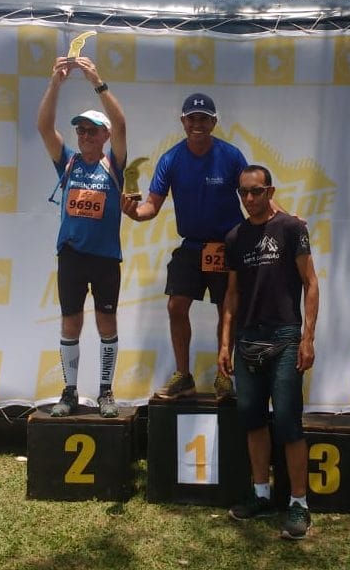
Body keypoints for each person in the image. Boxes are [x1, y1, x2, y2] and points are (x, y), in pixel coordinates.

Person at [122, 93, 281, 401]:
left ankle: (224, 377)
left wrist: (284, 217)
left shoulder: (230, 155)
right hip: (191, 246)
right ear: (183, 121)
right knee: (176, 306)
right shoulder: (170, 159)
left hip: (228, 246)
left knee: (228, 311)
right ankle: (184, 376)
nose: (198, 124)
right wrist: (133, 213)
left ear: (214, 122)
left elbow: (256, 192)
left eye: (204, 119)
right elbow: (151, 206)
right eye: (192, 118)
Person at [218, 165, 319, 540]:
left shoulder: (292, 228)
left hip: (286, 337)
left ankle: (299, 503)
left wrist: (307, 338)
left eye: (256, 191)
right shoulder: (234, 237)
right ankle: (261, 495)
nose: (249, 198)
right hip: (247, 341)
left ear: (270, 191)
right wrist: (225, 343)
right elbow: (232, 296)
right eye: (243, 192)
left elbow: (310, 283)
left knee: (289, 423)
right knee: (254, 422)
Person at [37, 56, 127, 418]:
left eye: (92, 130)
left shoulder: (113, 163)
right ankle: (70, 391)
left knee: (107, 323)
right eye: (81, 131)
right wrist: (55, 84)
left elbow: (121, 123)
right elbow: (45, 128)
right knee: (70, 322)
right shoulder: (69, 161)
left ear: (105, 136)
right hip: (72, 255)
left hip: (105, 257)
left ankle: (106, 392)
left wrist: (97, 82)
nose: (85, 135)